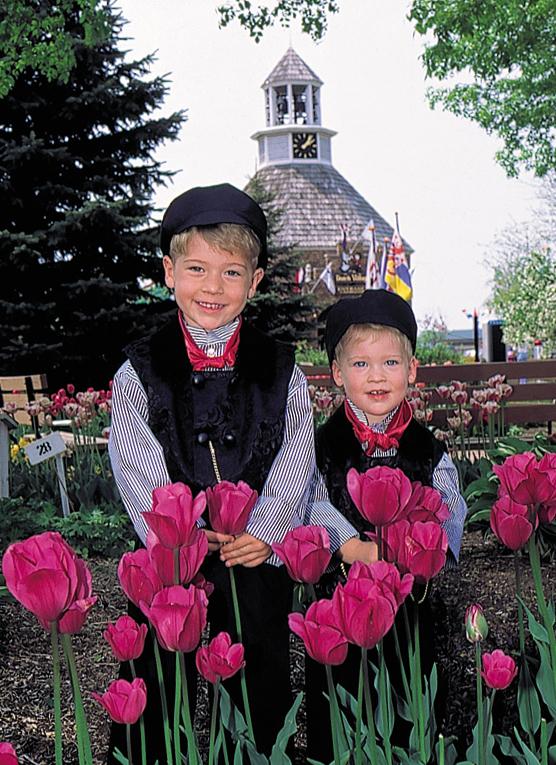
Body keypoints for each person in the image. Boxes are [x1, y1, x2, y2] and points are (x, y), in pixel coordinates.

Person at [107, 183, 360, 763]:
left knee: (259, 687)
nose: (213, 288)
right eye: (196, 269)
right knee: (157, 692)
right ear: (169, 272)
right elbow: (135, 463)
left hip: (252, 558)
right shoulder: (139, 372)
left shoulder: (281, 371)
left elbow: (296, 455)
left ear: (257, 279)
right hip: (170, 566)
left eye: (230, 272)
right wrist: (176, 540)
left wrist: (268, 531)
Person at [304, 288, 468, 762]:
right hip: (340, 604)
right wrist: (350, 545)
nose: (376, 376)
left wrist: (425, 551)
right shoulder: (321, 446)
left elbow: (449, 505)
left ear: (412, 369)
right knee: (343, 707)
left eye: (390, 364)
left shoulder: (429, 449)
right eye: (360, 365)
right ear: (337, 373)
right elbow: (310, 500)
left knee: (408, 701)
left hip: (409, 606)